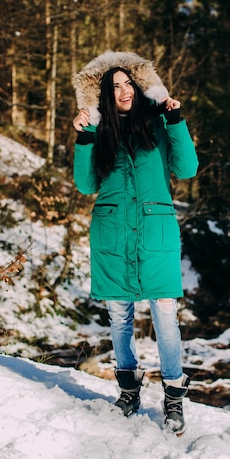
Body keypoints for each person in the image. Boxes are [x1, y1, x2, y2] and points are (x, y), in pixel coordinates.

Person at [72, 50, 198, 434]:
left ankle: (174, 398)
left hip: (155, 231)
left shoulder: (159, 123)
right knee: (120, 318)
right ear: (104, 96)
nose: (123, 91)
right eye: (114, 87)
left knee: (165, 317)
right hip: (111, 233)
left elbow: (187, 168)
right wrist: (83, 137)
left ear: (141, 87)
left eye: (129, 83)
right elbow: (86, 185)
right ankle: (128, 392)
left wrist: (175, 119)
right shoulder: (99, 131)